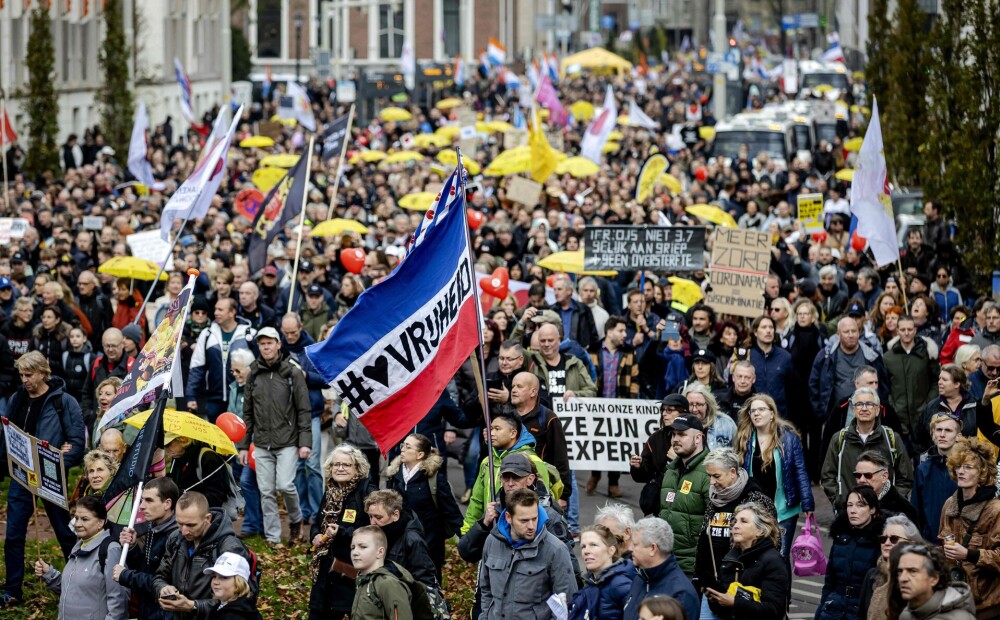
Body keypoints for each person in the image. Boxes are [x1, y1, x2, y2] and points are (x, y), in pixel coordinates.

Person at [1, 351, 86, 609]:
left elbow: (76, 443)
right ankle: (13, 589)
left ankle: (79, 586)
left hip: (51, 476)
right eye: (21, 375)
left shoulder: (64, 401)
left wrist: (59, 460)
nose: (24, 380)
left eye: (29, 374)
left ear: (42, 373)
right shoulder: (18, 398)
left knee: (65, 533)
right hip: (21, 475)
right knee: (13, 533)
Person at [236, 326, 312, 544]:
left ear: (279, 344)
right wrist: (243, 445)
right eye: (262, 343)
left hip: (287, 441)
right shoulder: (254, 375)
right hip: (261, 443)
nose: (266, 346)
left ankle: (296, 520)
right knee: (266, 491)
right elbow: (247, 413)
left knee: (285, 485)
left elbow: (303, 409)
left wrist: (304, 441)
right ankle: (273, 538)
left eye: (270, 342)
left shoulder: (292, 373)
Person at [695, 449, 777, 620]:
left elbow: (771, 547)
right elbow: (705, 539)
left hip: (741, 591)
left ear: (733, 472)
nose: (711, 482)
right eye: (709, 476)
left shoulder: (756, 500)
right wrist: (701, 576)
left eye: (716, 476)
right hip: (712, 589)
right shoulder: (715, 498)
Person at [734, 394, 815, 561]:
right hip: (754, 510)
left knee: (780, 556)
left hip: (783, 510)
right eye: (753, 411)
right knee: (753, 556)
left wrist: (807, 502)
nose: (756, 413)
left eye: (761, 409)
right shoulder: (745, 440)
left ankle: (781, 588)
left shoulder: (788, 439)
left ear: (772, 414)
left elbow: (800, 471)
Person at [478, 487, 578, 620]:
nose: (531, 526)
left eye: (534, 518)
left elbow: (566, 604)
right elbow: (485, 589)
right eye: (524, 521)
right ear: (508, 517)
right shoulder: (492, 542)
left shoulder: (555, 550)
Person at [152, 492, 251, 619]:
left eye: (190, 525)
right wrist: (163, 589)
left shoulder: (229, 547)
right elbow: (159, 576)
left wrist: (193, 606)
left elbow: (241, 599)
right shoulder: (175, 538)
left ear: (207, 518)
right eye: (179, 523)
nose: (183, 531)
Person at [309, 445, 378, 620]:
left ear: (357, 468)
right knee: (318, 612)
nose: (340, 468)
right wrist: (315, 535)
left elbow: (374, 531)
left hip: (351, 568)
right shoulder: (331, 491)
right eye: (336, 464)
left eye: (346, 465)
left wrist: (342, 532)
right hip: (326, 565)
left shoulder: (367, 491)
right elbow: (317, 523)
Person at [34, 495, 129, 620]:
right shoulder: (78, 547)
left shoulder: (111, 550)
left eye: (85, 519)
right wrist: (49, 574)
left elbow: (118, 601)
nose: (78, 524)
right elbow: (73, 590)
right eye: (76, 518)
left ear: (100, 522)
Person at [821, 387, 914, 513]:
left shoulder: (891, 438)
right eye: (859, 404)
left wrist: (892, 503)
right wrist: (840, 501)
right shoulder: (840, 439)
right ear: (853, 410)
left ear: (877, 410)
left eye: (869, 404)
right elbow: (828, 476)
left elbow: (905, 477)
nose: (864, 408)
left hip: (884, 514)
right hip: (850, 514)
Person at [385, 433, 463, 580]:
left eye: (408, 447)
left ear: (420, 454)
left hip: (429, 547)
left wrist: (466, 539)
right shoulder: (394, 476)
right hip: (399, 547)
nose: (402, 449)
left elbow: (451, 513)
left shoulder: (435, 479)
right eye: (402, 445)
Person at [461, 411, 552, 533]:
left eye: (497, 429)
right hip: (491, 534)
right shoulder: (487, 462)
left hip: (522, 536)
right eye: (491, 428)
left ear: (513, 433)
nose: (491, 433)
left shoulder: (532, 461)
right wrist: (467, 533)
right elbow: (476, 501)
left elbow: (544, 503)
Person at [938, 437, 1000, 616]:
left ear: (982, 472)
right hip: (953, 601)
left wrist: (969, 555)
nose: (961, 472)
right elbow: (941, 548)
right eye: (958, 466)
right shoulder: (949, 505)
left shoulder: (995, 510)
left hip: (987, 607)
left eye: (968, 467)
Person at [702, 501, 789, 620]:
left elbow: (774, 610)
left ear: (760, 531)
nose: (735, 526)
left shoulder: (772, 561)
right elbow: (723, 611)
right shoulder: (731, 558)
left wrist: (735, 603)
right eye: (735, 521)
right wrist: (716, 599)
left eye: (743, 521)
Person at [114, 477, 182, 620]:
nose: (141, 506)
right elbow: (146, 568)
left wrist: (125, 575)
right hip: (148, 611)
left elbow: (163, 584)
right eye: (142, 500)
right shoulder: (154, 528)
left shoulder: (178, 537)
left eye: (149, 501)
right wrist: (132, 547)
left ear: (167, 504)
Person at [588, 316, 640, 497]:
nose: (624, 334)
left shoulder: (628, 352)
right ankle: (594, 474)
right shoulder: (592, 350)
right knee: (597, 441)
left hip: (620, 405)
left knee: (615, 443)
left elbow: (634, 379)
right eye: (621, 330)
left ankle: (613, 483)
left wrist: (630, 403)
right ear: (609, 332)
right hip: (596, 405)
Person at [815, 486, 885, 620]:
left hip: (861, 610)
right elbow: (830, 581)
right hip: (833, 608)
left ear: (872, 509)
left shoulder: (880, 541)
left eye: (860, 505)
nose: (853, 510)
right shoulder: (841, 537)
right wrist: (821, 610)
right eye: (849, 505)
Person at [810, 317, 891, 429]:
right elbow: (813, 385)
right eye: (846, 332)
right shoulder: (826, 357)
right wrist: (822, 415)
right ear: (838, 334)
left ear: (859, 332)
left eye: (854, 331)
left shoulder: (872, 356)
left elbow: (883, 385)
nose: (851, 335)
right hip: (836, 416)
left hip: (867, 416)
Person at [510, 372, 572, 509]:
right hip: (507, 486)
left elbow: (560, 457)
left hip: (539, 489)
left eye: (519, 386)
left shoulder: (548, 418)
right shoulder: (505, 417)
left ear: (533, 392)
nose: (513, 390)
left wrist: (563, 496)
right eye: (513, 386)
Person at [658, 414, 711, 576]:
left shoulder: (710, 472)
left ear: (698, 438)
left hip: (692, 565)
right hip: (666, 559)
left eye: (682, 434)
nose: (675, 439)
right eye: (673, 434)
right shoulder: (671, 470)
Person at [186, 298, 255, 422]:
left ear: (232, 312)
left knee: (239, 439)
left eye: (220, 310)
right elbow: (196, 367)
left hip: (241, 397)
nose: (216, 313)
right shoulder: (207, 334)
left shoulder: (248, 334)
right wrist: (191, 396)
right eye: (215, 309)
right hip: (214, 398)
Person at [622, 517, 700, 620]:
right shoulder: (641, 578)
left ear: (653, 549)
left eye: (635, 544)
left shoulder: (681, 594)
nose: (630, 548)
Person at [884, 315, 941, 451]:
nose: (906, 332)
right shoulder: (888, 357)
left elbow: (936, 380)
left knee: (922, 460)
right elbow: (885, 386)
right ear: (897, 331)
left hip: (922, 417)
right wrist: (892, 406)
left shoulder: (926, 353)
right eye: (903, 329)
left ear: (915, 330)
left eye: (910, 329)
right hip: (898, 419)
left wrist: (928, 403)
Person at [362, 489, 437, 588]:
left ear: (395, 515)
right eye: (370, 516)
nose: (372, 522)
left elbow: (425, 580)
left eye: (378, 517)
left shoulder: (412, 540)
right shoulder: (376, 534)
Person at [631, 394, 689, 510]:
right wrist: (640, 465)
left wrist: (677, 460)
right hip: (662, 503)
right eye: (663, 410)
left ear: (683, 413)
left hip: (688, 499)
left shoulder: (694, 436)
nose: (664, 413)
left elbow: (701, 470)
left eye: (670, 410)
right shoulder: (656, 438)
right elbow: (645, 476)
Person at [859, 515, 923, 620]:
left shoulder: (920, 581)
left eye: (894, 539)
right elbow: (860, 616)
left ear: (911, 544)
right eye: (883, 539)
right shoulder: (872, 576)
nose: (887, 543)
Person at [568, 524, 634, 620]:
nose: (586, 551)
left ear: (611, 550)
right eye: (583, 546)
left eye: (593, 545)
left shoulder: (620, 584)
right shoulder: (591, 583)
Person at [911, 414, 960, 541]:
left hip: (960, 544)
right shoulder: (923, 470)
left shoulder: (967, 468)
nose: (942, 434)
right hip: (929, 543)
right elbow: (916, 511)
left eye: (948, 430)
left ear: (958, 436)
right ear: (933, 435)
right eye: (938, 430)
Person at [894, 543, 976, 620]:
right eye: (900, 571)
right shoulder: (905, 615)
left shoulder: (959, 618)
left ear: (934, 579)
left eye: (912, 571)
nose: (902, 578)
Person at [349, 526, 415, 620]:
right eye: (352, 547)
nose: (355, 552)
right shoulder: (363, 580)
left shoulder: (388, 584)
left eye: (362, 547)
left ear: (380, 552)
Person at [915, 365, 977, 454]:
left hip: (966, 462)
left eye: (944, 380)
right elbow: (919, 440)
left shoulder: (974, 406)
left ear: (957, 384)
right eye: (939, 378)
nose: (939, 382)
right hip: (937, 462)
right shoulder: (931, 407)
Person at [81, 327, 134, 425]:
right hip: (96, 423)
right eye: (107, 346)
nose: (110, 349)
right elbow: (86, 392)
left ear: (122, 344)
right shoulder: (96, 364)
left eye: (114, 346)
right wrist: (89, 415)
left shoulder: (132, 366)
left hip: (122, 425)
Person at [165, 434, 231, 510]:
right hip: (183, 510)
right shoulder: (178, 457)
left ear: (184, 440)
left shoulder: (208, 458)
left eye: (169, 444)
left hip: (205, 513)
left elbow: (216, 495)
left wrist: (186, 498)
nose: (166, 449)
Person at [746, 315, 795, 418]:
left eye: (771, 327)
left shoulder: (785, 357)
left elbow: (792, 390)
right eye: (764, 327)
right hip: (753, 414)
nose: (768, 331)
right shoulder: (748, 355)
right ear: (755, 332)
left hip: (779, 416)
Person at [852, 451, 919, 521]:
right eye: (858, 475)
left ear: (884, 477)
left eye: (868, 475)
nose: (861, 480)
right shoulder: (849, 506)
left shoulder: (904, 509)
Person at [202, 552, 263, 619]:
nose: (216, 582)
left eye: (224, 577)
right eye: (214, 576)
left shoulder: (235, 616)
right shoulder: (222, 606)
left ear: (239, 582)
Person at [550, 275, 600, 351]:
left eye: (559, 289)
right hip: (556, 353)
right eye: (555, 290)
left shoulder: (583, 309)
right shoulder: (551, 310)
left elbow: (593, 336)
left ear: (569, 291)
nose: (556, 293)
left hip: (579, 355)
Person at [684, 383, 736, 450]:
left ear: (707, 404)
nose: (694, 409)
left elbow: (738, 452)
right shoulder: (678, 426)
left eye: (699, 404)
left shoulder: (726, 423)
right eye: (690, 404)